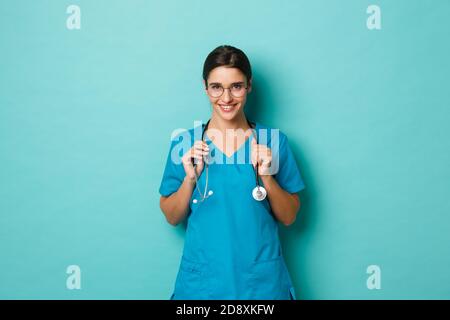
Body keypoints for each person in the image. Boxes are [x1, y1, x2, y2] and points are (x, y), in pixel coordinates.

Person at [159, 45, 305, 300]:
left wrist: (268, 177)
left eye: (236, 86)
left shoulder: (273, 141)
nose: (226, 98)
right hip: (203, 284)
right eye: (217, 87)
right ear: (205, 88)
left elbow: (290, 216)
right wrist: (189, 180)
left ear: (249, 86)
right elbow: (172, 217)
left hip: (260, 285)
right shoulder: (185, 144)